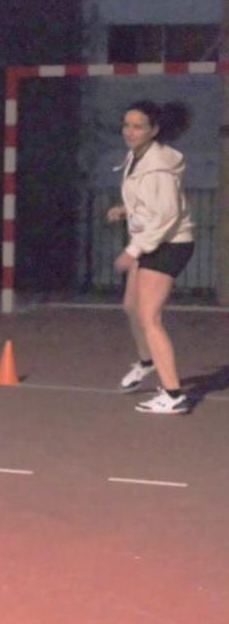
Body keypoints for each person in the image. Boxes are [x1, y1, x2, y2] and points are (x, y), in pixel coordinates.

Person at [107, 100, 195, 415]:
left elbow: (166, 216)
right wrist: (125, 210)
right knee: (131, 306)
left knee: (149, 318)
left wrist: (132, 251)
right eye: (126, 125)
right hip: (152, 241)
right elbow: (150, 203)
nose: (129, 132)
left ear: (153, 130)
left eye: (138, 126)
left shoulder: (157, 167)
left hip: (169, 244)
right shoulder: (137, 155)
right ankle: (147, 362)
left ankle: (173, 395)